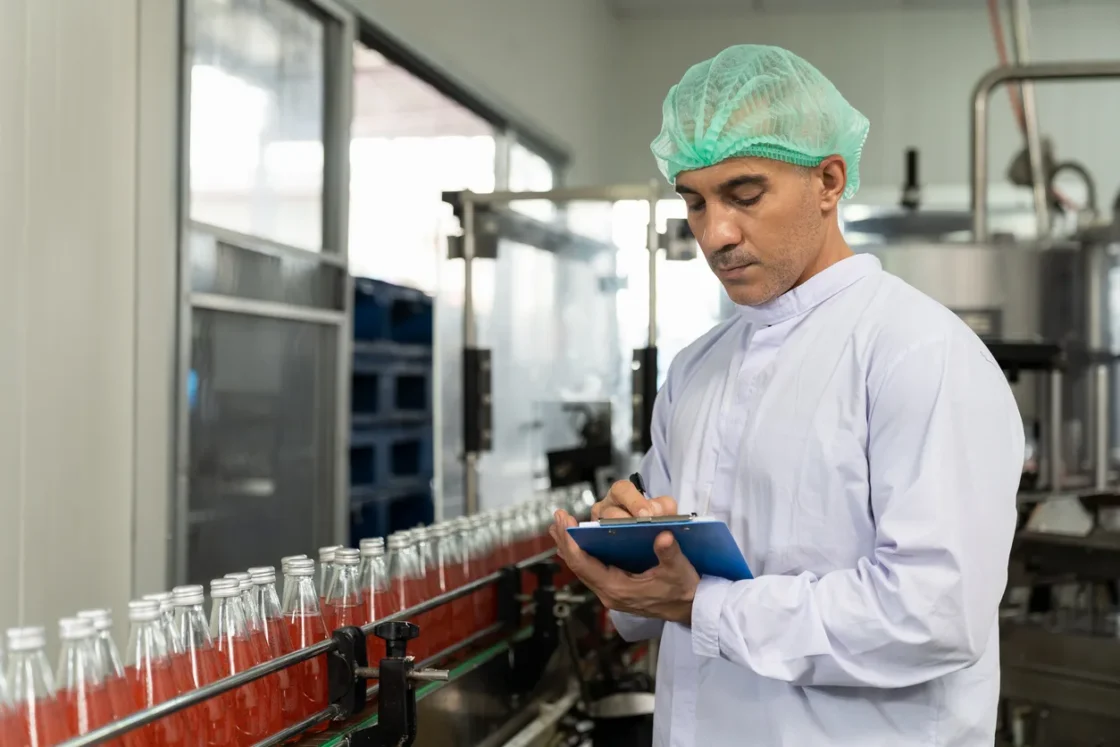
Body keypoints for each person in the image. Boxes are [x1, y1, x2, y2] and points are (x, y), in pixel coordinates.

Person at [549, 44, 1023, 746]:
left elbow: (933, 613)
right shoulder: (698, 370)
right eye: (695, 202)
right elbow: (660, 609)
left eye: (744, 194)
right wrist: (632, 552)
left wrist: (706, 605)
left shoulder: (919, 353)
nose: (716, 233)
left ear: (829, 181)